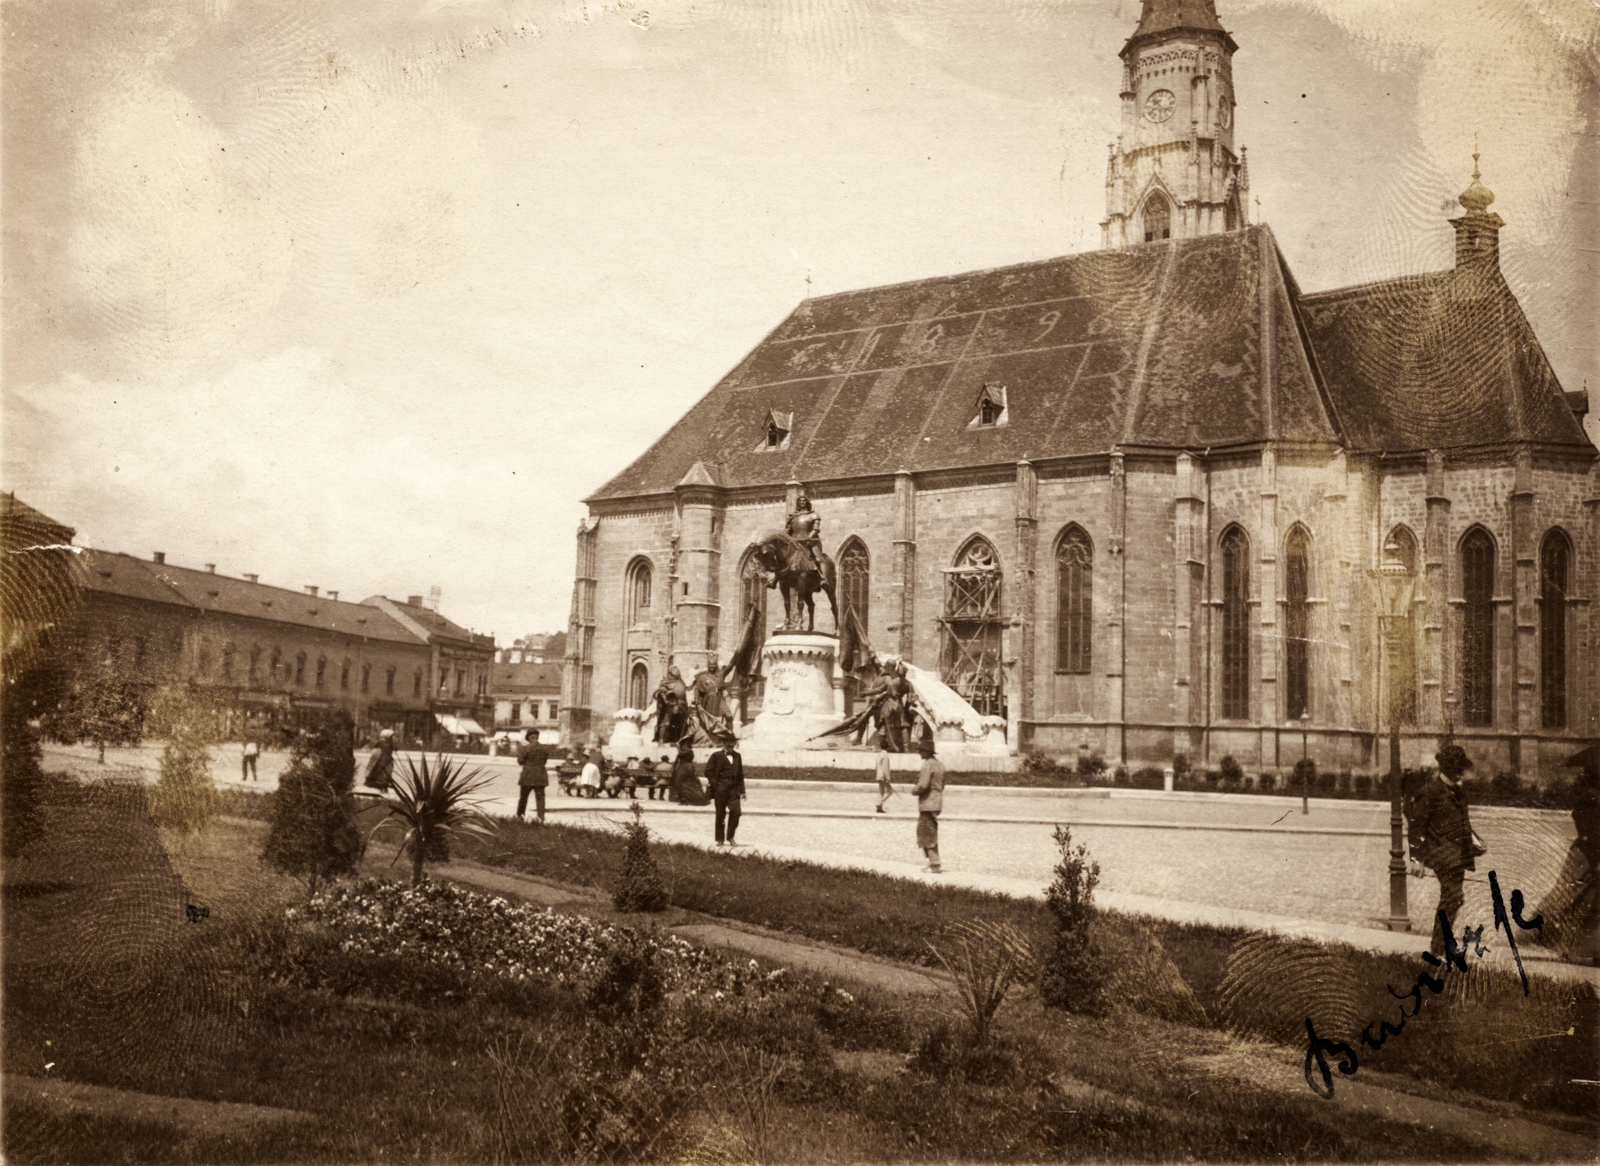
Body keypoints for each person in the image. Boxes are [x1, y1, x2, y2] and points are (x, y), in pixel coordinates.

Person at [1407, 744, 1484, 955]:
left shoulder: (1458, 792)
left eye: (1460, 767)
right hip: (1442, 853)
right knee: (1453, 896)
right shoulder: (1432, 791)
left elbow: (1461, 821)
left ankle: (1440, 945)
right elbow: (1417, 825)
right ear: (1446, 768)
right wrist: (1416, 859)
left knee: (1454, 898)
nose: (1460, 772)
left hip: (1457, 854)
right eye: (1456, 768)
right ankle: (1438, 948)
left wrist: (1473, 840)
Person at [706, 732, 745, 847]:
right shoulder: (716, 756)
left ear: (735, 743)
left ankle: (730, 837)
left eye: (732, 742)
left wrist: (743, 791)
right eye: (727, 742)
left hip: (734, 789)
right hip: (720, 789)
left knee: (736, 812)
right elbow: (708, 771)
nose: (730, 744)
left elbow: (740, 774)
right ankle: (720, 839)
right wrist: (716, 785)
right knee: (720, 814)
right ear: (723, 743)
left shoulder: (738, 756)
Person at [912, 737, 944, 873]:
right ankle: (930, 862)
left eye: (921, 751)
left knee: (926, 833)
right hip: (936, 802)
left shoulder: (927, 765)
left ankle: (935, 864)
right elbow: (941, 784)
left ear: (927, 751)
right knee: (928, 831)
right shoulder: (939, 764)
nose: (919, 753)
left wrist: (914, 790)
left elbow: (923, 784)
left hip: (927, 803)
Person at [515, 730, 549, 822]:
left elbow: (520, 761)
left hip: (527, 776)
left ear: (529, 738)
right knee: (540, 798)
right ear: (537, 737)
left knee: (523, 797)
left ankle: (520, 816)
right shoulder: (544, 748)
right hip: (540, 776)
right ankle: (541, 818)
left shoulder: (525, 748)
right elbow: (544, 761)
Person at [670, 741, 710, 806]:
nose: (683, 747)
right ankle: (684, 799)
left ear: (687, 746)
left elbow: (680, 755)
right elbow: (679, 756)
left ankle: (686, 799)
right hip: (684, 767)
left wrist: (678, 748)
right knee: (682, 783)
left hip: (686, 767)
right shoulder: (687, 751)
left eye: (684, 746)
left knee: (682, 783)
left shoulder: (689, 751)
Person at [874, 739, 895, 813]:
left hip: (878, 776)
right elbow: (885, 768)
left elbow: (876, 767)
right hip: (883, 776)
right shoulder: (885, 755)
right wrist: (887, 778)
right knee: (890, 791)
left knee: (881, 792)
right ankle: (878, 803)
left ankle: (879, 809)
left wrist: (878, 775)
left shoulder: (879, 754)